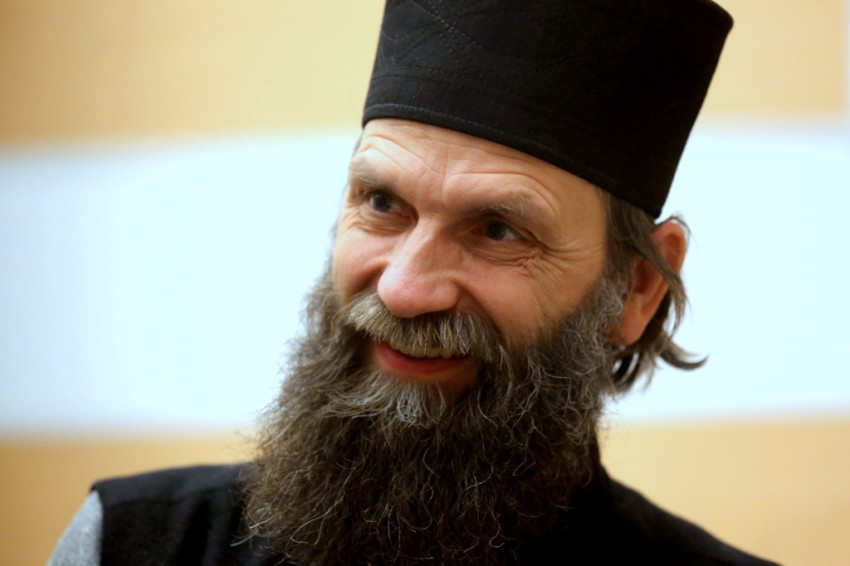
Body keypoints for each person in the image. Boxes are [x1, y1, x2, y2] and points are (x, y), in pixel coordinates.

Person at [50, 1, 780, 564]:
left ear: (636, 289)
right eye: (381, 203)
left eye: (498, 230)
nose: (402, 291)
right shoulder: (135, 547)